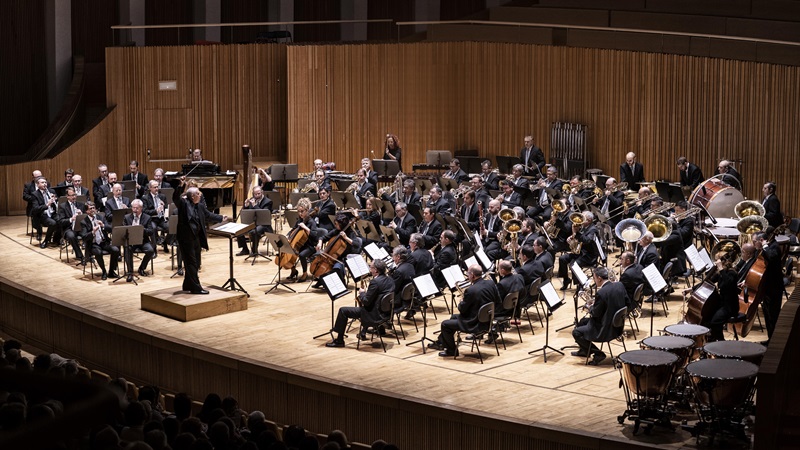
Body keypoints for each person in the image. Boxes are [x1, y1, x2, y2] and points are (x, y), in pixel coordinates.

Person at [170, 176, 227, 294]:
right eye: (197, 193)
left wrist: (221, 218)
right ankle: (196, 287)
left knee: (196, 262)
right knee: (191, 263)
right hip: (186, 239)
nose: (200, 195)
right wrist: (181, 186)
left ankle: (187, 284)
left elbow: (208, 215)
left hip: (196, 238)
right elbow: (175, 197)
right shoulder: (183, 204)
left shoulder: (200, 206)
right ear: (192, 196)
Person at [433, 264, 499, 357]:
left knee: (445, 324)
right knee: (453, 317)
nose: (467, 276)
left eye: (468, 273)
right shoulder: (490, 283)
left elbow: (462, 310)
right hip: (488, 320)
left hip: (475, 323)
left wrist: (461, 301)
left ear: (472, 275)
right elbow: (498, 300)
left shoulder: (471, 290)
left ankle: (451, 351)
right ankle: (443, 342)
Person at [326, 259, 394, 348]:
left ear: (376, 270)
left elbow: (366, 302)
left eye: (371, 267)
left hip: (373, 314)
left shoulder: (375, 282)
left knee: (343, 310)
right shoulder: (390, 279)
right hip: (386, 313)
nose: (369, 269)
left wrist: (362, 293)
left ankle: (339, 341)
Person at [571, 267, 628, 365]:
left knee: (576, 332)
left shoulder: (601, 293)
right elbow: (627, 302)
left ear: (599, 278)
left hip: (605, 330)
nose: (594, 281)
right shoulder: (619, 285)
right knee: (582, 321)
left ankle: (598, 354)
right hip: (617, 327)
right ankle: (584, 350)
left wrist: (589, 307)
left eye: (594, 278)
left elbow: (595, 314)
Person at [753, 231, 783, 341]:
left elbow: (771, 257)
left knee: (773, 316)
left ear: (761, 240)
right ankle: (770, 339)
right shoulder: (766, 248)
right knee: (767, 315)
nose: (753, 244)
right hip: (767, 288)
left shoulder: (774, 247)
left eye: (755, 242)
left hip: (774, 288)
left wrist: (764, 246)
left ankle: (774, 341)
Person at [558, 211, 599, 290]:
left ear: (589, 220)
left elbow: (587, 240)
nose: (581, 221)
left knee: (575, 264)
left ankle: (580, 286)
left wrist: (576, 233)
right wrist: (571, 237)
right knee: (562, 258)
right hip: (580, 252)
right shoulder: (582, 227)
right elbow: (578, 238)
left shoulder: (593, 229)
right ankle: (566, 280)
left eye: (583, 219)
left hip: (589, 255)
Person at [704, 255, 740, 341]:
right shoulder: (720, 273)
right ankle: (712, 339)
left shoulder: (732, 273)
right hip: (721, 304)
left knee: (715, 322)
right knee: (706, 318)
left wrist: (720, 269)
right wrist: (691, 289)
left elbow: (728, 284)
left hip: (730, 306)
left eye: (717, 261)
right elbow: (707, 282)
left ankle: (721, 341)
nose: (716, 263)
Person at [81, 201, 120, 280]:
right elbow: (84, 237)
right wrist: (92, 232)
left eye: (93, 208)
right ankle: (104, 271)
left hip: (104, 242)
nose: (92, 210)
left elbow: (111, 229)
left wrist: (103, 226)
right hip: (93, 244)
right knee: (98, 253)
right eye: (90, 209)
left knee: (116, 250)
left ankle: (111, 271)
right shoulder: (84, 222)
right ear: (87, 211)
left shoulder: (101, 217)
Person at [122, 199, 155, 281]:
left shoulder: (147, 218)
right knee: (127, 249)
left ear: (141, 208)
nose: (134, 210)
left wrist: (141, 229)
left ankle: (142, 268)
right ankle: (130, 272)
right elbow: (123, 231)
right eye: (133, 208)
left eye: (137, 208)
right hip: (131, 241)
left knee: (150, 251)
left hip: (143, 240)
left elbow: (150, 232)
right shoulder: (127, 217)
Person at [236, 186, 274, 256]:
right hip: (254, 224)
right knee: (239, 231)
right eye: (255, 194)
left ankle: (254, 251)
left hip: (264, 225)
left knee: (254, 232)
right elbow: (247, 214)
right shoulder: (252, 200)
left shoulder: (268, 202)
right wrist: (246, 206)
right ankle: (245, 249)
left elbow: (263, 215)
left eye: (258, 194)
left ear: (262, 192)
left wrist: (255, 205)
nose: (257, 196)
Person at [290, 198, 318, 282]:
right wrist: (289, 235)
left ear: (307, 210)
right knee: (289, 251)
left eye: (302, 211)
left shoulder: (311, 222)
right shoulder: (299, 220)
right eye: (299, 211)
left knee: (302, 255)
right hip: (301, 244)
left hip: (310, 245)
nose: (300, 213)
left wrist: (306, 228)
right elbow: (294, 229)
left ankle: (305, 273)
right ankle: (293, 270)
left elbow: (314, 235)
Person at [57, 187, 85, 262]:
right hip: (68, 228)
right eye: (72, 195)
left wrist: (81, 215)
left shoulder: (81, 205)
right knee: (71, 236)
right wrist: (71, 219)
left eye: (75, 195)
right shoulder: (62, 206)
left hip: (80, 227)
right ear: (67, 196)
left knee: (90, 234)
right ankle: (80, 256)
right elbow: (60, 221)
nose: (74, 197)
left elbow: (87, 218)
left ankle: (89, 255)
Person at [31, 177, 60, 248]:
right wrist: (47, 205)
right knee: (53, 223)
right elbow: (35, 209)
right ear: (38, 184)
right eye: (42, 182)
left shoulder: (50, 191)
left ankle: (56, 240)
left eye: (45, 182)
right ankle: (46, 241)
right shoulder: (35, 194)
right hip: (42, 215)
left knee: (61, 220)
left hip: (52, 213)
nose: (45, 184)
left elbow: (57, 201)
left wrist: (55, 199)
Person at [142, 180, 169, 252]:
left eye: (157, 187)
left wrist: (164, 207)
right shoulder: (145, 198)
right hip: (152, 219)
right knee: (153, 228)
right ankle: (153, 248)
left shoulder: (162, 196)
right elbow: (144, 212)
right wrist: (155, 211)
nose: (157, 189)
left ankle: (165, 242)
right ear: (150, 188)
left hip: (161, 219)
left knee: (171, 227)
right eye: (155, 187)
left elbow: (166, 208)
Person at [23, 170, 45, 240]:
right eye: (37, 177)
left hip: (44, 206)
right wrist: (35, 198)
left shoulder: (46, 183)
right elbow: (25, 196)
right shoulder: (28, 185)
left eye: (40, 176)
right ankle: (39, 233)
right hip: (33, 207)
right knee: (36, 214)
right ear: (33, 178)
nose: (39, 178)